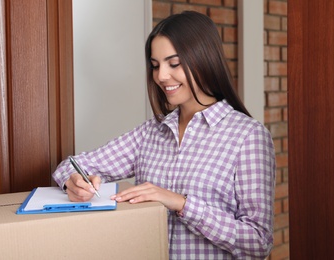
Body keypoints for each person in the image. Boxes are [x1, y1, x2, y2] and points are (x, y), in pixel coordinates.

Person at [53, 11, 275, 259]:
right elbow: (71, 166)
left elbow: (259, 241)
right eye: (155, 66)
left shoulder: (248, 137)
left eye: (174, 63)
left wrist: (182, 203)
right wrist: (73, 182)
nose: (161, 76)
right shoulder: (150, 133)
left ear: (203, 58)